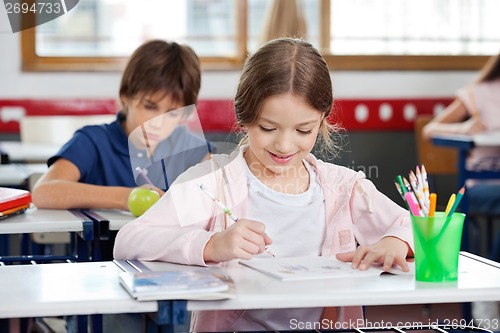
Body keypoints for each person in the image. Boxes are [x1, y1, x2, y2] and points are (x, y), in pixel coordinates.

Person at [114, 37, 414, 332]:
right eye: (268, 128)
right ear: (244, 118)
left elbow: (415, 225)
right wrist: (210, 245)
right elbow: (129, 240)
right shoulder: (212, 183)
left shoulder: (343, 187)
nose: (284, 145)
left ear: (322, 120)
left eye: (303, 129)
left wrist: (395, 241)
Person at [423, 53, 500, 324]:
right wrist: (467, 127)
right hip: (478, 186)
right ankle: (490, 293)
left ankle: (491, 289)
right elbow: (431, 130)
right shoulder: (479, 94)